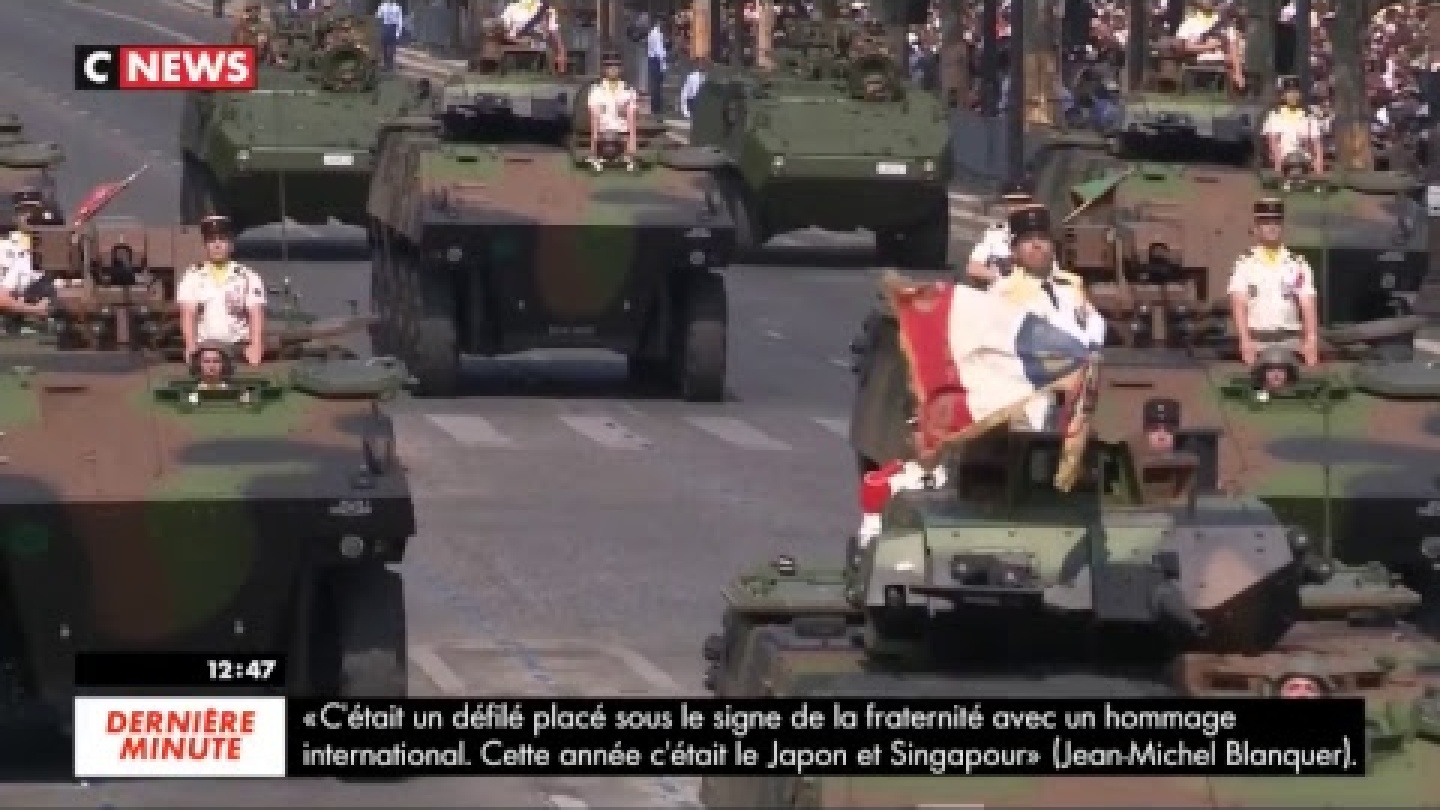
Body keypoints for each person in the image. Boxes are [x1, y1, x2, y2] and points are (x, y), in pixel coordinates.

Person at [989, 203, 1106, 429]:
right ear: (1014, 251)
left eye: (1042, 238)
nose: (1036, 245)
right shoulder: (1003, 291)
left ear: (1053, 246)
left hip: (1075, 393)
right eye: (1027, 240)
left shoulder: (1071, 284)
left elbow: (1092, 323)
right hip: (1029, 394)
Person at [1227, 197, 1319, 368]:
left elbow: (1307, 303)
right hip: (1257, 342)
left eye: (1276, 222)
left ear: (1282, 226)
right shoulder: (1245, 263)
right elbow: (1239, 303)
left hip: (1290, 342)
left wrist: (1311, 339)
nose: (1271, 227)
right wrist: (1244, 340)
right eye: (1265, 222)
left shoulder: (1297, 263)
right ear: (1257, 227)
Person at [176, 215, 267, 367]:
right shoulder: (192, 276)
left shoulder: (247, 276)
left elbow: (256, 313)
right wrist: (190, 346)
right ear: (205, 245)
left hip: (238, 349)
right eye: (212, 240)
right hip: (206, 351)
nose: (217, 245)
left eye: (222, 239)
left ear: (231, 244)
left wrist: (256, 345)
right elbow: (188, 313)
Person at [962, 181, 1055, 286]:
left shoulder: (1044, 237)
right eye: (1012, 202)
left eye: (1023, 201)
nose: (1017, 206)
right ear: (1006, 204)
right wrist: (1003, 281)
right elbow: (973, 268)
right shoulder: (995, 234)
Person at [1263, 76, 1325, 176]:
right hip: (1284, 159)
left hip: (1305, 159)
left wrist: (1319, 164)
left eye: (1296, 92)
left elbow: (1316, 142)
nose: (1293, 96)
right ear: (1283, 95)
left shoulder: (1309, 115)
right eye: (1289, 92)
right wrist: (1278, 163)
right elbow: (1272, 141)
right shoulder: (1275, 115)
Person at [588, 52, 639, 165]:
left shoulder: (629, 90)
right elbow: (593, 116)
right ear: (604, 69)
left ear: (621, 69)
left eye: (616, 66)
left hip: (621, 134)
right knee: (595, 112)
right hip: (603, 135)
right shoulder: (596, 89)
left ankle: (628, 152)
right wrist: (594, 142)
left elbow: (632, 117)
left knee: (630, 111)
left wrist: (632, 141)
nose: (612, 69)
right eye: (609, 66)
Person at [375, 0, 405, 71]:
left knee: (392, 47)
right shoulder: (383, 6)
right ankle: (386, 64)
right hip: (385, 27)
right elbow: (378, 16)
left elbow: (399, 20)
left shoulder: (397, 7)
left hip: (392, 27)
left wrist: (398, 32)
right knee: (385, 46)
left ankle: (390, 64)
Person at [646, 19, 667, 115]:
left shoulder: (655, 33)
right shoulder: (656, 34)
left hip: (654, 60)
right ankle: (656, 107)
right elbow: (659, 51)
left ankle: (656, 106)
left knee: (656, 85)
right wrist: (666, 59)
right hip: (655, 60)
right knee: (656, 85)